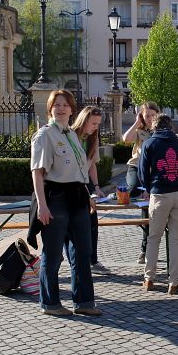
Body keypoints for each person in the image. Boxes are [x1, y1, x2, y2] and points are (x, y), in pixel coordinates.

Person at [30, 90, 101, 317]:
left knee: (83, 250)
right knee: (53, 254)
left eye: (65, 104)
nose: (60, 108)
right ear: (50, 109)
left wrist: (88, 195)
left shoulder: (71, 134)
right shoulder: (45, 135)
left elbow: (81, 171)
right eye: (56, 104)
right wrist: (42, 205)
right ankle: (50, 303)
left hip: (78, 196)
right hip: (56, 197)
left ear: (72, 109)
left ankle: (84, 302)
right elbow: (38, 173)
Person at [138, 114, 178, 295]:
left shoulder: (149, 144)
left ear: (154, 126)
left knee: (154, 238)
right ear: (171, 126)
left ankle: (149, 278)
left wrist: (148, 187)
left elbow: (143, 172)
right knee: (175, 240)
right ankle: (174, 283)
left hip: (160, 194)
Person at [70, 106, 110, 276]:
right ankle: (79, 260)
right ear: (84, 120)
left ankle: (92, 259)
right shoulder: (70, 136)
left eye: (98, 124)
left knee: (93, 223)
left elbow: (92, 164)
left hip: (87, 184)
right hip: (73, 184)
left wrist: (97, 187)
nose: (96, 127)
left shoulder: (93, 139)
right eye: (93, 123)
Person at [122, 101, 160, 264]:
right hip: (136, 167)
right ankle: (120, 193)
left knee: (147, 211)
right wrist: (137, 123)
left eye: (153, 115)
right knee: (133, 189)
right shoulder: (140, 131)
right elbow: (125, 139)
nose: (150, 118)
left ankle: (145, 250)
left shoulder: (162, 132)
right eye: (147, 116)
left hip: (154, 173)